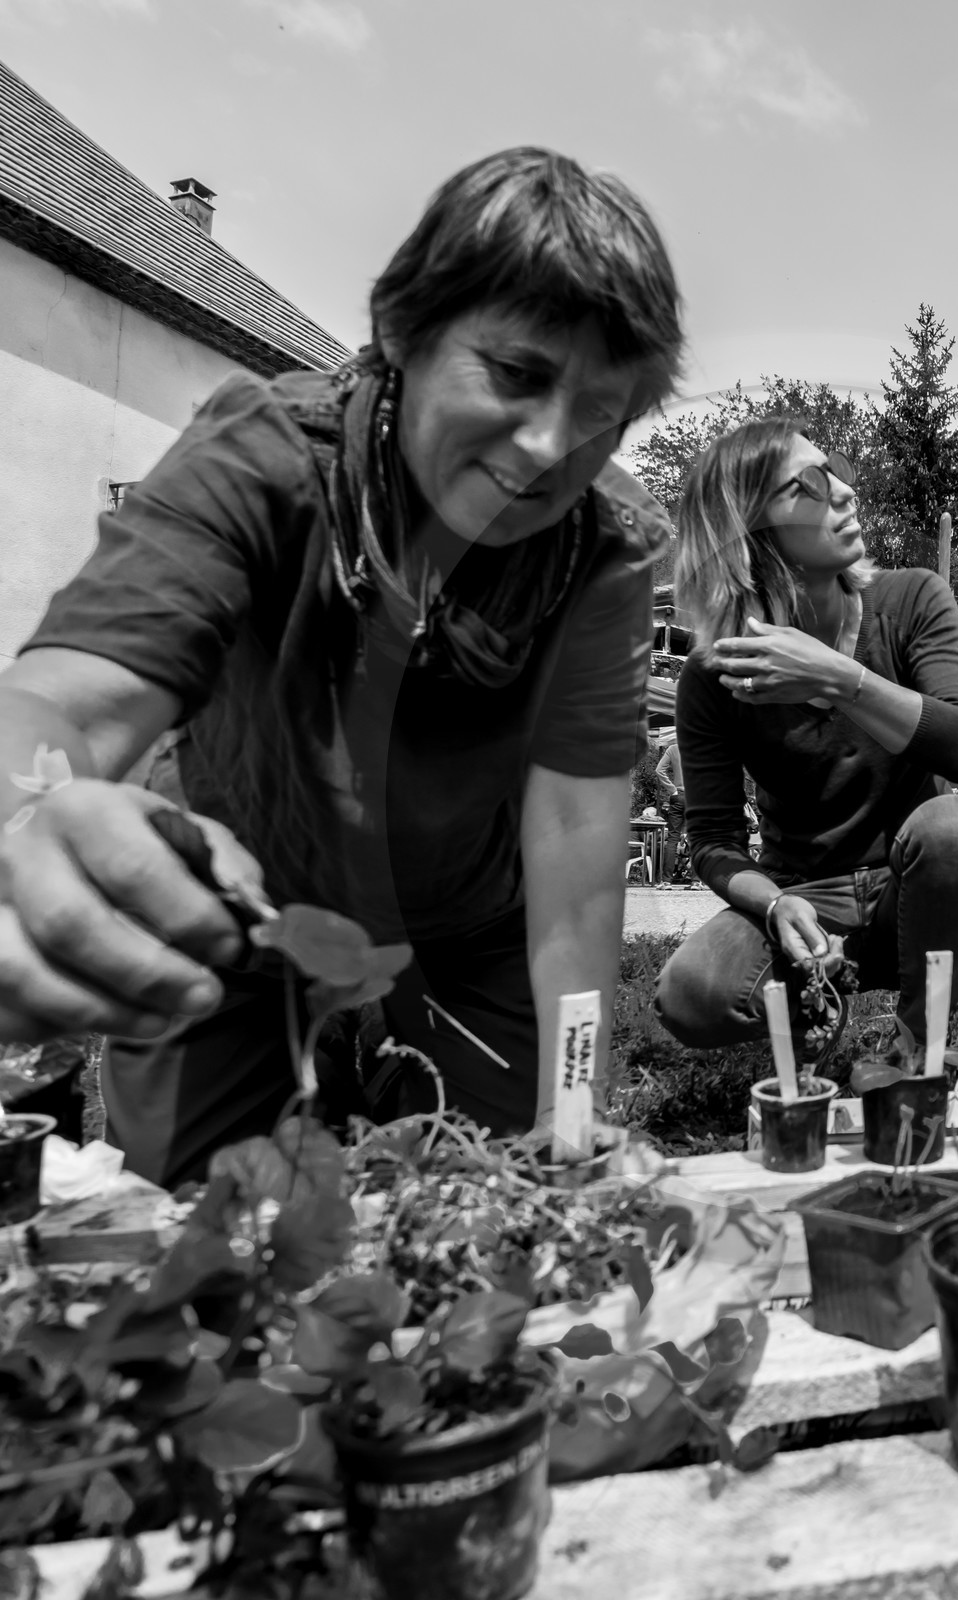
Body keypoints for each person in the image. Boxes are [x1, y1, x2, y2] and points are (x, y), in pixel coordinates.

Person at [0, 148, 683, 1183]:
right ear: (406, 331)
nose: (553, 445)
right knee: (200, 1222)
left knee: (510, 1206)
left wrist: (573, 1106)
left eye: (604, 410)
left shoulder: (605, 552)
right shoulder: (261, 455)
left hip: (470, 934)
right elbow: (74, 703)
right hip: (237, 911)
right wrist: (26, 816)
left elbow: (573, 841)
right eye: (516, 374)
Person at [654, 419, 958, 1057]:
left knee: (956, 829)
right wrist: (772, 905)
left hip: (913, 883)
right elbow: (713, 840)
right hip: (803, 895)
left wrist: (842, 679)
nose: (844, 491)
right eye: (808, 485)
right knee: (690, 992)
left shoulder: (913, 599)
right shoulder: (715, 673)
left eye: (835, 471)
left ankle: (916, 1050)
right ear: (746, 532)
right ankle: (819, 999)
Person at [653, 731, 691, 883]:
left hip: (678, 796)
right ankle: (696, 881)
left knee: (673, 838)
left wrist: (672, 789)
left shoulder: (673, 749)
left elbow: (659, 770)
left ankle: (666, 881)